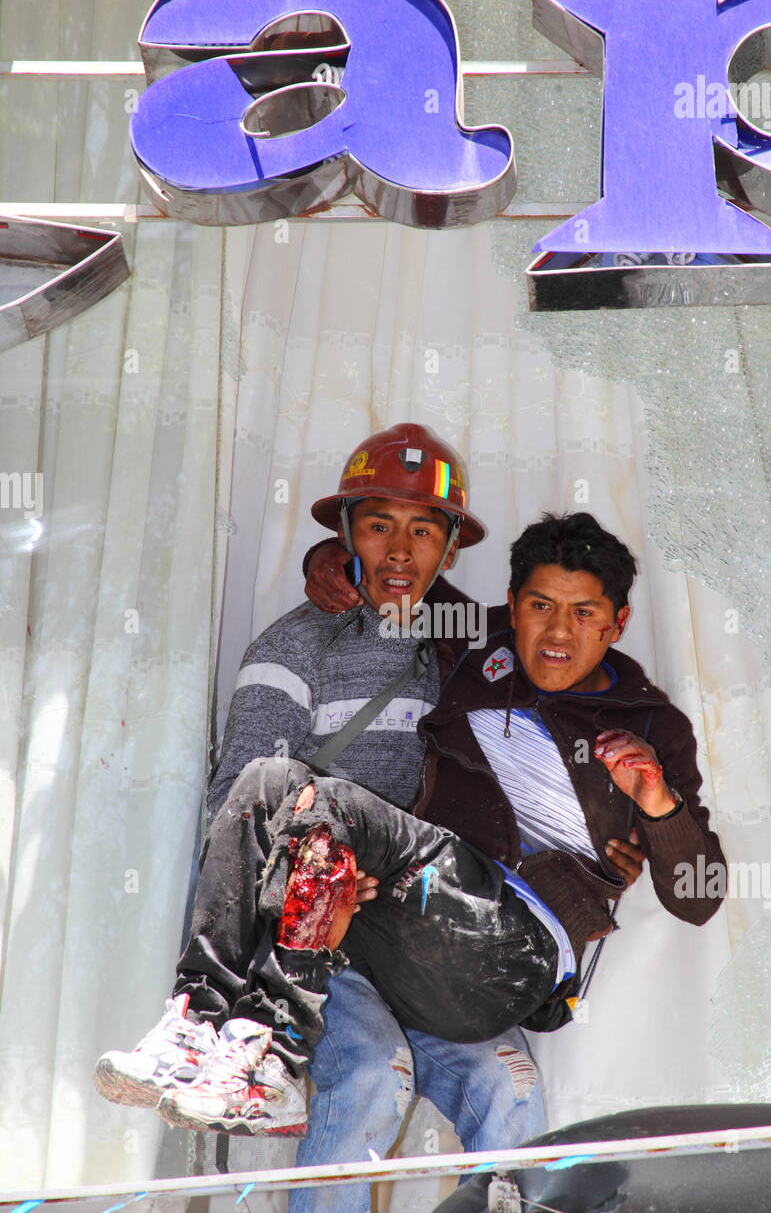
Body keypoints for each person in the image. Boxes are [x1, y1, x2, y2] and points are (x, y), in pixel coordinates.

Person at [95, 429, 647, 1161]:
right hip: (324, 928)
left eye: (422, 531)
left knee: (509, 1086)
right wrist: (308, 877)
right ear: (345, 530)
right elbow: (240, 808)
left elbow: (559, 673)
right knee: (367, 1073)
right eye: (378, 525)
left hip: (425, 918)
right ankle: (225, 1037)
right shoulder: (292, 649)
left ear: (450, 550)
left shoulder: (468, 648)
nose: (399, 550)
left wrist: (611, 841)